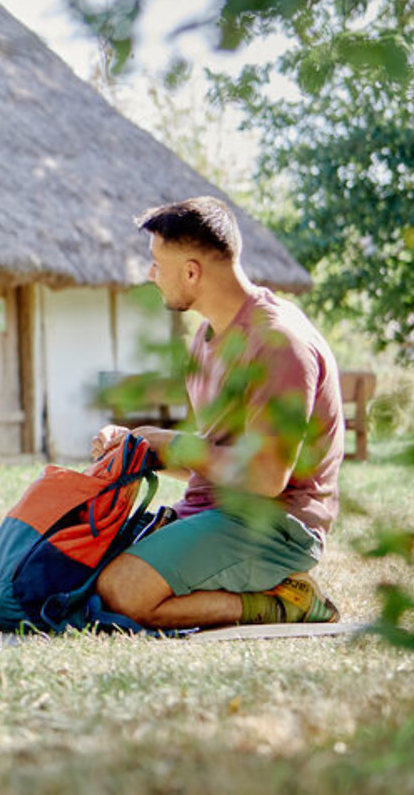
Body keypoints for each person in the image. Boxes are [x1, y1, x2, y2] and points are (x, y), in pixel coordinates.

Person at [94, 197, 343, 630]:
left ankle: (286, 603)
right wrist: (136, 447)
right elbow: (212, 462)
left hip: (276, 526)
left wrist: (170, 441)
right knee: (79, 575)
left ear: (191, 271)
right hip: (214, 513)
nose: (151, 274)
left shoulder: (279, 343)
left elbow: (266, 477)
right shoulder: (207, 339)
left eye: (156, 263)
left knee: (120, 592)